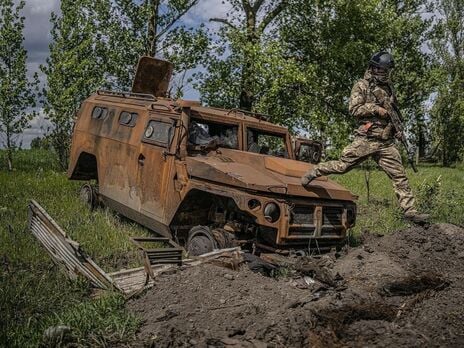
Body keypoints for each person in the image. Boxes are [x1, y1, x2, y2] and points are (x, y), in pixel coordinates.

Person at [301, 51, 429, 224]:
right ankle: (315, 171)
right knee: (342, 166)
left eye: (387, 70)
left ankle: (410, 212)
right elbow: (354, 109)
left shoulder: (388, 89)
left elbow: (394, 114)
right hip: (366, 140)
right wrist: (376, 109)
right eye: (382, 69)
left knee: (400, 176)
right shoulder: (362, 85)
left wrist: (397, 130)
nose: (384, 73)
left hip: (385, 143)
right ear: (374, 68)